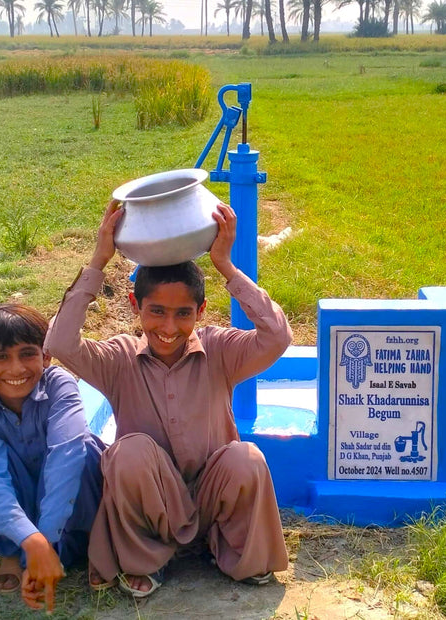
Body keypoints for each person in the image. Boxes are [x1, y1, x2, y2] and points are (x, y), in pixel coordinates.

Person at [45, 200, 292, 599]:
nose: (168, 327)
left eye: (183, 314)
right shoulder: (119, 358)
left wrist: (226, 267)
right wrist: (98, 260)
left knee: (245, 458)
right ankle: (147, 560)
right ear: (134, 306)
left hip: (211, 498)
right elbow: (59, 342)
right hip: (152, 504)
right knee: (129, 453)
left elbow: (278, 337)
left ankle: (232, 551)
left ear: (201, 312)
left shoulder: (219, 350)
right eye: (156, 312)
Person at [0, 304, 105, 613]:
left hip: (66, 503)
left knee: (86, 450)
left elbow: (66, 456)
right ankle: (12, 551)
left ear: (46, 356)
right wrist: (32, 542)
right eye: (0, 357)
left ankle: (94, 544)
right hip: (23, 505)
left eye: (28, 354)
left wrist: (45, 541)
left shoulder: (60, 385)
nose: (16, 369)